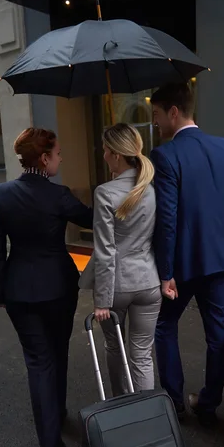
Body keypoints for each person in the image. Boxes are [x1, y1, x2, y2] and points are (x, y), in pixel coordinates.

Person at [0, 128, 93, 447]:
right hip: (59, 288)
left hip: (19, 290)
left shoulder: (1, 195)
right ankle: (57, 413)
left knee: (37, 361)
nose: (60, 158)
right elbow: (93, 218)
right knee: (57, 351)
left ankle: (50, 442)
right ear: (44, 158)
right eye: (58, 154)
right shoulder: (58, 196)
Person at [150, 83, 224, 427]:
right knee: (218, 332)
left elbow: (167, 218)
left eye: (157, 114)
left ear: (173, 112)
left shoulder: (165, 155)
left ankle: (175, 402)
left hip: (184, 263)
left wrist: (165, 272)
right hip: (223, 258)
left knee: (164, 325)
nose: (155, 122)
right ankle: (208, 403)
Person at [80, 123, 161, 395]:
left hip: (116, 287)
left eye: (105, 150)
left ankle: (122, 407)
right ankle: (147, 412)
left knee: (115, 348)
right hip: (149, 282)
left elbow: (105, 250)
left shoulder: (105, 192)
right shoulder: (150, 188)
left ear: (116, 154)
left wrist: (101, 300)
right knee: (142, 355)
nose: (102, 155)